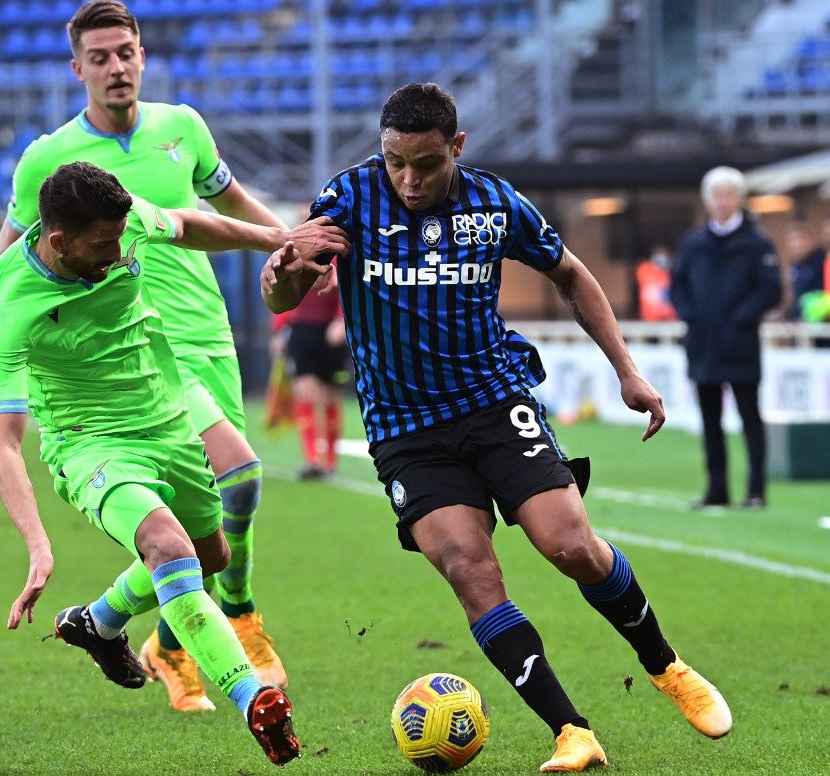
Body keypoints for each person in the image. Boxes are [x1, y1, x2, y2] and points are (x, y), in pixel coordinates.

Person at [261, 83, 732, 773]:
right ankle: (572, 732)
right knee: (468, 567)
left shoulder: (495, 204)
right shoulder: (349, 197)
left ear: (457, 147)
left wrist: (628, 371)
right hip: (405, 430)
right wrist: (283, 271)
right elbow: (287, 290)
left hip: (494, 403)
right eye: (394, 161)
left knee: (571, 546)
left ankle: (666, 666)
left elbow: (572, 275)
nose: (408, 179)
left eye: (425, 163)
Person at [0, 0, 342, 711]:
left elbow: (225, 201)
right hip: (133, 356)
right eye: (100, 57)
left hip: (202, 331)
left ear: (142, 55)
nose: (116, 67)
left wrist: (291, 239)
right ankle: (237, 615)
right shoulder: (48, 161)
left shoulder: (183, 128)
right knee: (239, 477)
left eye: (126, 51)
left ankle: (138, 632)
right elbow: (13, 261)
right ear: (78, 69)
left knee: (220, 503)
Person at [0, 161, 338, 766]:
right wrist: (38, 546)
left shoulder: (121, 223)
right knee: (170, 551)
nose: (119, 252)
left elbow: (191, 225)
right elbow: (3, 442)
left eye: (121, 237)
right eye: (102, 244)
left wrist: (281, 238)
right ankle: (256, 699)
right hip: (89, 443)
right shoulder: (4, 300)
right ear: (57, 239)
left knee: (212, 556)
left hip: (166, 418)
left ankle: (99, 621)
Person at [671, 166, 782, 510]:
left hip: (740, 345)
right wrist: (692, 316)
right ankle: (716, 489)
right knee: (710, 421)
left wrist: (739, 319)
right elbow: (678, 287)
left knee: (750, 416)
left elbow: (771, 291)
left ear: (739, 199)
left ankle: (756, 490)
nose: (721, 203)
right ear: (707, 201)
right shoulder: (694, 243)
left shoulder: (757, 243)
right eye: (716, 196)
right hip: (703, 345)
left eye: (728, 196)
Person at [271, 275, 350, 480]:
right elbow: (283, 287)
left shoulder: (338, 248)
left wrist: (342, 319)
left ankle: (329, 461)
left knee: (329, 395)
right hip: (301, 329)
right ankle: (313, 459)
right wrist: (280, 329)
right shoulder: (294, 247)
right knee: (304, 392)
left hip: (330, 329)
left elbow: (349, 282)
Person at [635, 245, 678, 322]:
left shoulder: (670, 272)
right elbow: (647, 281)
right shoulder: (645, 269)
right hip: (650, 317)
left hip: (669, 317)